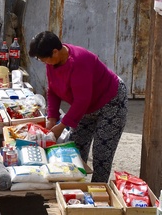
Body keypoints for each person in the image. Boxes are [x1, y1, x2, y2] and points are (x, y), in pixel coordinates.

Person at [28, 31, 128, 183]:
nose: (44, 63)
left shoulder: (79, 62)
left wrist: (61, 126)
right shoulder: (53, 62)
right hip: (87, 106)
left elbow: (82, 100)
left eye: (44, 60)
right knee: (74, 147)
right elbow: (53, 91)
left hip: (111, 101)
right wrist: (51, 118)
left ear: (55, 52)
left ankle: (97, 193)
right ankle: (75, 186)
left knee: (102, 153)